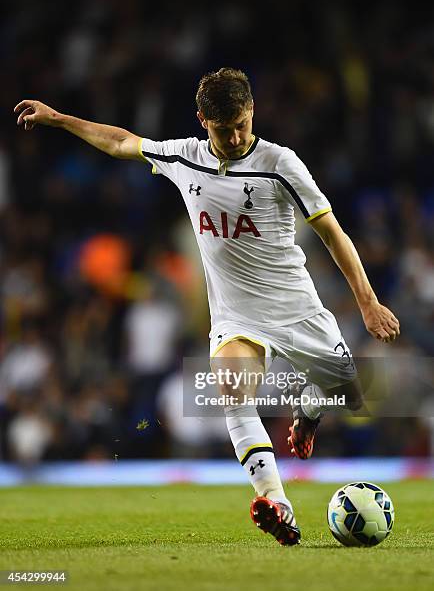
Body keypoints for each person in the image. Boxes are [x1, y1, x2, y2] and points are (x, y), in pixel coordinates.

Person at [14, 67, 400, 546]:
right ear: (202, 120)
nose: (236, 136)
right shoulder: (185, 158)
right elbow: (120, 142)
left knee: (350, 392)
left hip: (298, 310)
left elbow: (332, 234)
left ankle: (309, 408)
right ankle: (277, 502)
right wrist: (58, 119)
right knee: (231, 391)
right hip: (237, 318)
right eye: (224, 128)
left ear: (252, 110)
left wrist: (368, 303)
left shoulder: (281, 163)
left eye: (241, 123)